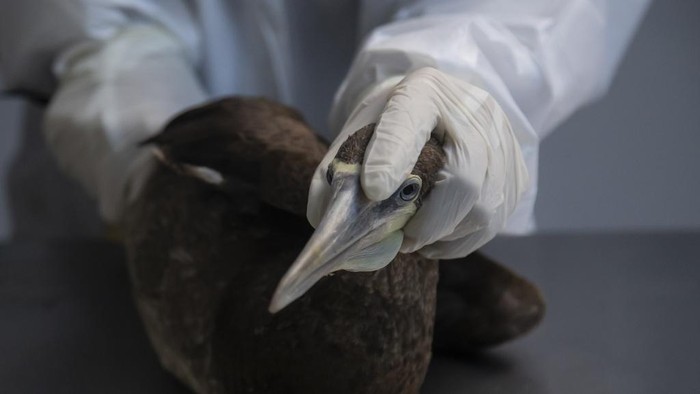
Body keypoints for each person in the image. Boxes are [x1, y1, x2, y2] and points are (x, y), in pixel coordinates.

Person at [0, 0, 650, 258]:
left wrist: (460, 76)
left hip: (438, 227)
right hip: (106, 240)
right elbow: (83, 22)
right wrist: (155, 157)